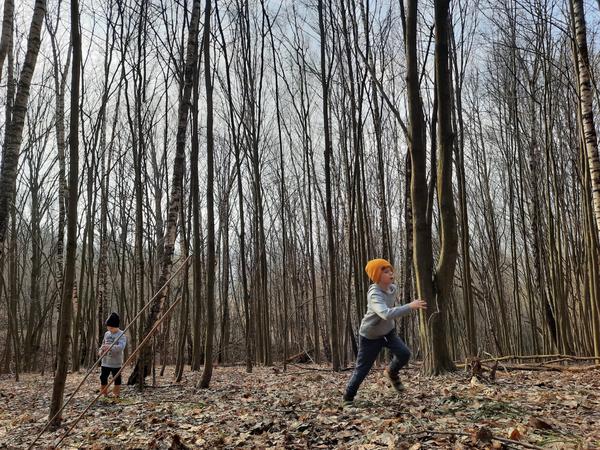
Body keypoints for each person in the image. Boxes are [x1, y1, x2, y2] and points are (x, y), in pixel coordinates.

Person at [343, 258, 426, 406]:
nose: (391, 273)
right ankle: (348, 398)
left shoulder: (392, 288)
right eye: (386, 272)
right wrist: (409, 306)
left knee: (404, 354)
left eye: (390, 271)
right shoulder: (374, 294)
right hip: (370, 336)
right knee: (363, 369)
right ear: (377, 276)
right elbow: (385, 313)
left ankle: (391, 373)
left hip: (388, 331)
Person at [99, 312, 127, 398]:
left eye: (111, 328)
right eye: (108, 327)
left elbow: (121, 347)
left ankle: (116, 393)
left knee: (117, 378)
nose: (109, 329)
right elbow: (103, 344)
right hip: (105, 361)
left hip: (116, 362)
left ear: (116, 326)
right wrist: (100, 351)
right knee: (103, 377)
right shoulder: (107, 334)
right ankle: (104, 393)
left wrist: (110, 347)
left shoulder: (121, 335)